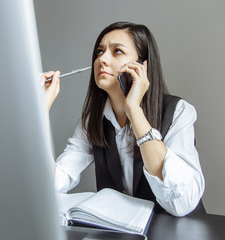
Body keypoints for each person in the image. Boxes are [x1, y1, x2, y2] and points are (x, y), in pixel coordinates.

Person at [43, 22, 205, 217]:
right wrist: (40, 112)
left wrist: (134, 109)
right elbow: (53, 184)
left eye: (117, 51)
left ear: (142, 66)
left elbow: (182, 204)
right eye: (99, 52)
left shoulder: (178, 112)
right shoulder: (92, 122)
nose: (102, 58)